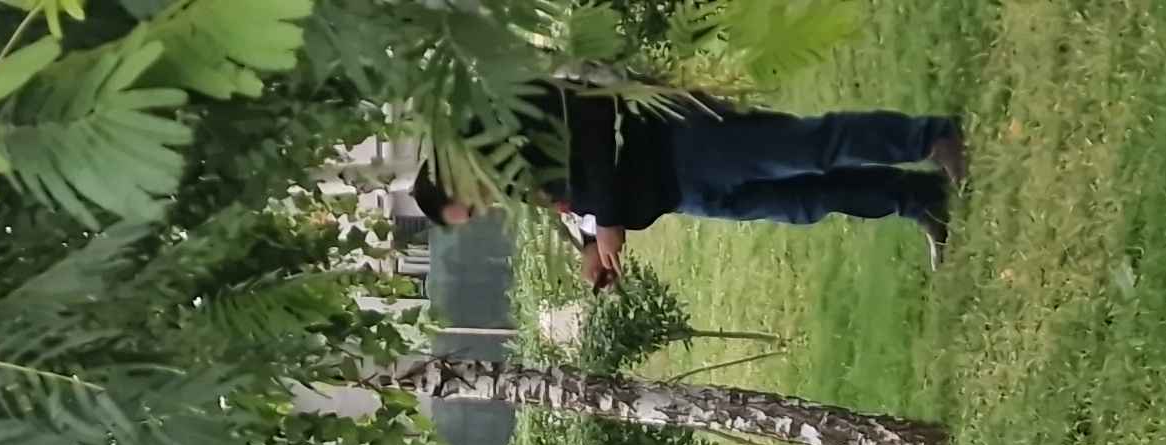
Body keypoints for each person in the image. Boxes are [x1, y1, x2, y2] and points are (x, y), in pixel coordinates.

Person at [411, 81, 964, 285]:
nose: (487, 207)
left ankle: (933, 138)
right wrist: (591, 244)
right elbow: (580, 194)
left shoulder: (510, 112)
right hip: (681, 193)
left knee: (809, 148)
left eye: (472, 204)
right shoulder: (514, 183)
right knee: (806, 201)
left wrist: (609, 220)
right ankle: (920, 200)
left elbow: (593, 113)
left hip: (681, 140)